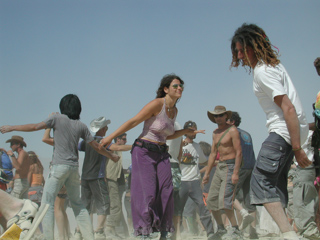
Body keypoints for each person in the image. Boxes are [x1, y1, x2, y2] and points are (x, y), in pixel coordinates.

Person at [230, 23, 311, 240]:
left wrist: (297, 148)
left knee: (259, 180)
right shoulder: (275, 66)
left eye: (242, 49)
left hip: (282, 132)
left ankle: (288, 234)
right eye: (236, 51)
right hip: (290, 133)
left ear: (254, 45)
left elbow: (288, 108)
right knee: (277, 184)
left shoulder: (263, 72)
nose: (239, 55)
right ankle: (287, 231)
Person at [0, 94, 120, 240]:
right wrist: (112, 156)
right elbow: (97, 147)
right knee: (78, 205)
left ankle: (49, 237)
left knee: (47, 204)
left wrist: (12, 127)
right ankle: (89, 236)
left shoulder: (57, 119)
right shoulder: (81, 125)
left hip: (59, 167)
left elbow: (35, 126)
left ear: (63, 107)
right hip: (74, 169)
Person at [99, 74, 204, 239]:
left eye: (181, 86)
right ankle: (143, 232)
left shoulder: (174, 110)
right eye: (175, 86)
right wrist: (110, 137)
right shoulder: (157, 104)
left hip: (161, 153)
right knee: (147, 193)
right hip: (143, 152)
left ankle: (163, 232)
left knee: (167, 191)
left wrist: (185, 132)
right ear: (166, 89)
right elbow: (134, 121)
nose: (179, 88)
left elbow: (166, 135)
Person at [203, 105, 242, 240]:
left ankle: (236, 229)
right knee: (211, 200)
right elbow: (213, 154)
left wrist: (236, 172)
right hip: (219, 168)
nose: (218, 118)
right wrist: (207, 173)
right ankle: (220, 228)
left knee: (225, 200)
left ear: (226, 116)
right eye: (216, 116)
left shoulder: (232, 130)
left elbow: (238, 152)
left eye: (220, 115)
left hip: (230, 166)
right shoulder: (214, 133)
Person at [77, 116, 113, 240]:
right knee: (104, 203)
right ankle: (99, 231)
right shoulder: (105, 142)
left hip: (85, 177)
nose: (107, 129)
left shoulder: (86, 142)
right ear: (103, 129)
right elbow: (116, 148)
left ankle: (80, 231)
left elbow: (76, 147)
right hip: (98, 176)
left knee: (85, 204)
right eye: (106, 127)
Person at [179, 121, 215, 240]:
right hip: (182, 181)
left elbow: (204, 162)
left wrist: (214, 163)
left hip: (194, 182)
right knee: (178, 208)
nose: (194, 132)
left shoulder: (197, 146)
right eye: (190, 130)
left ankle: (210, 233)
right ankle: (175, 232)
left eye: (195, 129)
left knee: (202, 207)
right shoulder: (180, 145)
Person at [226, 111, 258, 239]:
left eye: (226, 120)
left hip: (240, 167)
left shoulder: (232, 133)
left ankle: (239, 229)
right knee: (249, 200)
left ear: (232, 122)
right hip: (251, 167)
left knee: (230, 196)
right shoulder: (247, 134)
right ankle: (253, 231)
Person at [42, 128, 72, 240]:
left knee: (57, 207)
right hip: (68, 173)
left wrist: (48, 126)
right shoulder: (71, 142)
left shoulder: (61, 142)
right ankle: (66, 234)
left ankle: (61, 236)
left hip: (59, 173)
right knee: (61, 207)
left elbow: (44, 138)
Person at [105, 132, 132, 238]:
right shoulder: (113, 147)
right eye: (124, 139)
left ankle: (122, 232)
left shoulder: (118, 151)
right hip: (112, 180)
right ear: (118, 140)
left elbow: (117, 168)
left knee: (118, 207)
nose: (125, 141)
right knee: (116, 207)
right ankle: (111, 228)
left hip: (119, 182)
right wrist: (136, 145)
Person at [166, 121, 183, 240]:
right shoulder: (179, 125)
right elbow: (180, 150)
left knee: (165, 201)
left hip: (165, 165)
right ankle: (176, 233)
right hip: (176, 166)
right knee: (175, 202)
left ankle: (166, 230)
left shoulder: (166, 124)